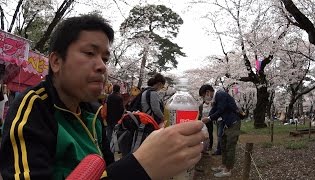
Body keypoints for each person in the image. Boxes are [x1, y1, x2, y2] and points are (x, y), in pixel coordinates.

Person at [0, 14, 206, 180]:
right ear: (55, 61)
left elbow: (106, 169)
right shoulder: (34, 108)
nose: (102, 65)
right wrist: (139, 166)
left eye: (105, 58)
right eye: (90, 53)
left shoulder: (92, 111)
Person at [200, 84, 241, 178]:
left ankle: (228, 169)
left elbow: (221, 109)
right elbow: (214, 109)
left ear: (208, 92)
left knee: (230, 145)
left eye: (203, 96)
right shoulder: (217, 98)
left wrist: (209, 118)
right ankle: (223, 165)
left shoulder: (220, 94)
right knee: (223, 144)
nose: (204, 98)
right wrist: (207, 117)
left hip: (233, 122)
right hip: (227, 123)